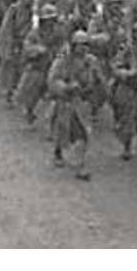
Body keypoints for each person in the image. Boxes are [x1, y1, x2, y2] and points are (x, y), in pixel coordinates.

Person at [47, 29, 102, 180]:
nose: (83, 48)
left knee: (83, 134)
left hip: (83, 103)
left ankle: (80, 165)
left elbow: (98, 80)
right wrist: (66, 87)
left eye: (86, 44)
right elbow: (53, 79)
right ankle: (58, 152)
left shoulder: (91, 61)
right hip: (66, 101)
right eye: (80, 45)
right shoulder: (63, 61)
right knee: (63, 130)